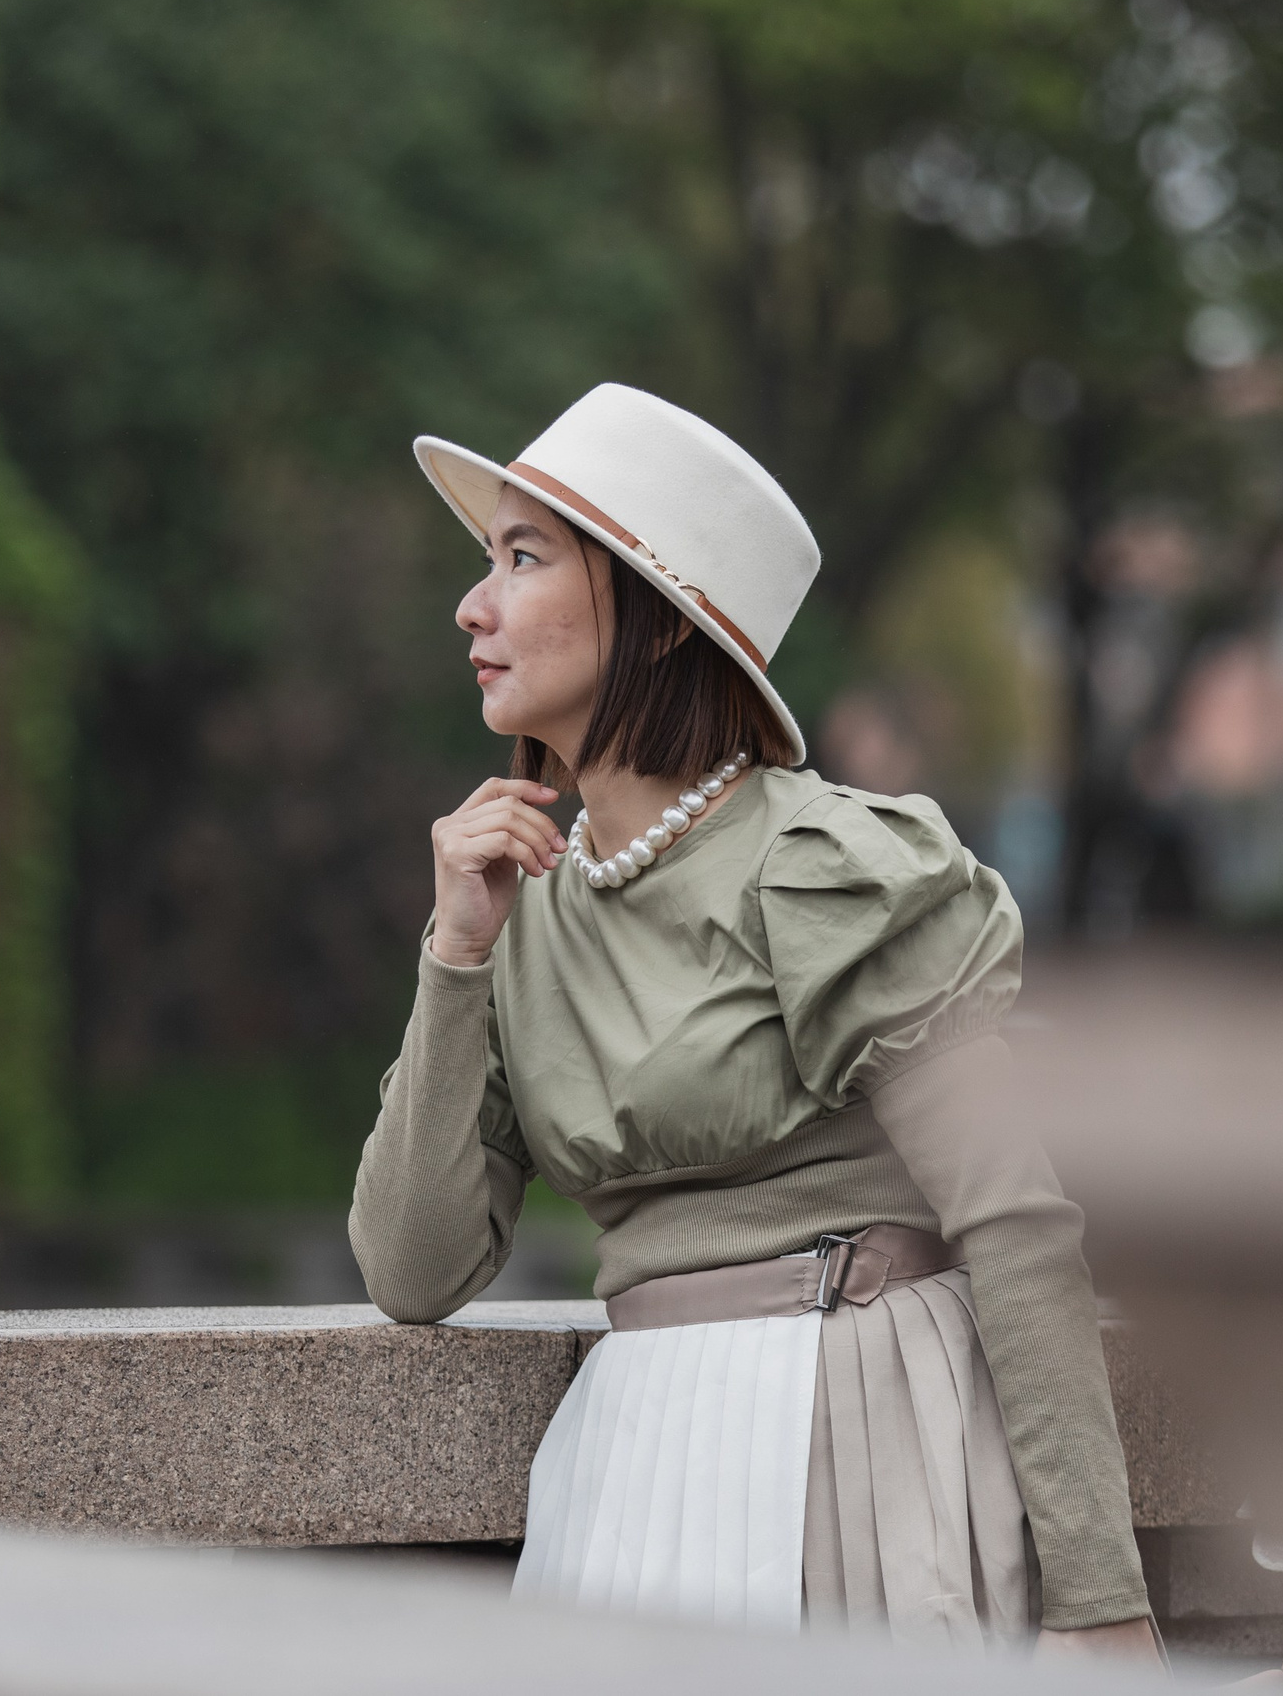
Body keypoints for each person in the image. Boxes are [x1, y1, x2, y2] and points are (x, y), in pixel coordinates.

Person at [349, 384, 1159, 1662]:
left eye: (521, 558)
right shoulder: (522, 910)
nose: (473, 605)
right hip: (629, 1463)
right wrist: (455, 954)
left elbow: (1013, 1221)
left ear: (662, 621)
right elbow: (413, 1270)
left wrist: (1099, 1601)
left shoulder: (825, 868)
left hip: (859, 1439)